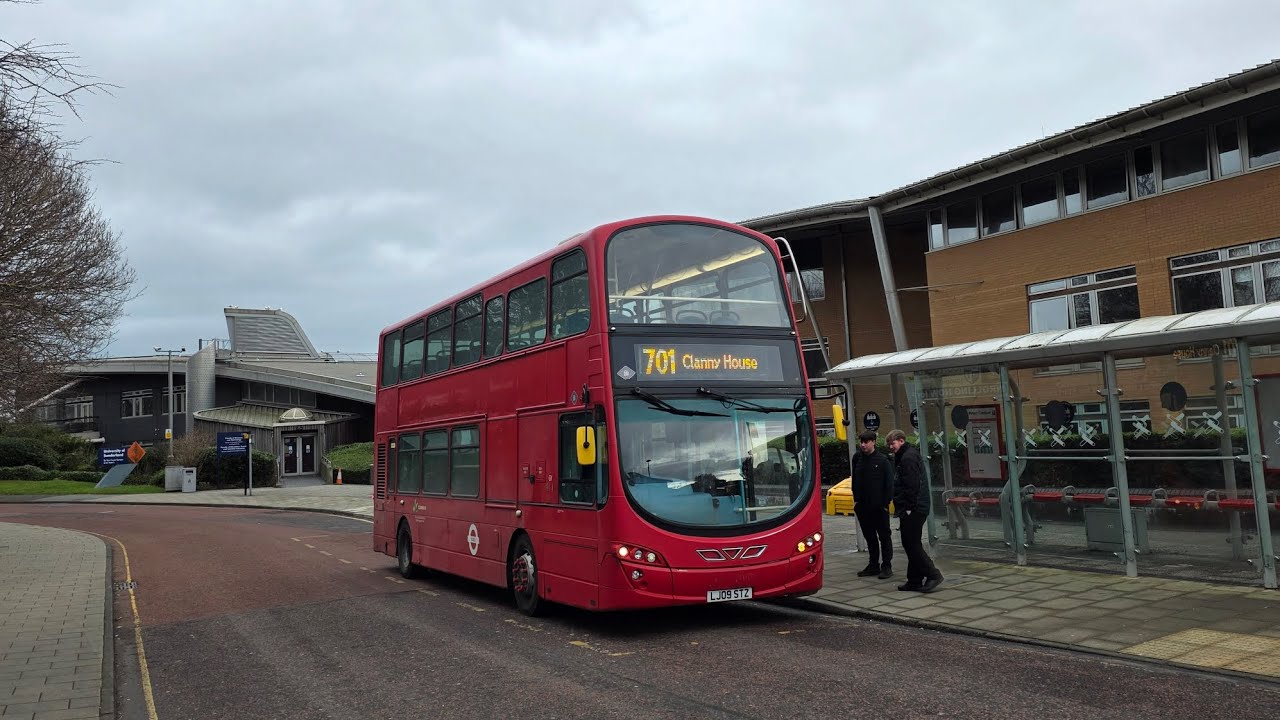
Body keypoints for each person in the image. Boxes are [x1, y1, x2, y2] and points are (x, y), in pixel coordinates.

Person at [887, 429, 943, 593]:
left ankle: (933, 574)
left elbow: (912, 485)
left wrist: (909, 508)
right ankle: (914, 580)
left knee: (911, 544)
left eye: (893, 443)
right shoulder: (906, 455)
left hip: (914, 508)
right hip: (916, 506)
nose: (891, 447)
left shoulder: (908, 458)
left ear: (901, 440)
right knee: (912, 543)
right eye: (889, 444)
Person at [851, 431, 894, 579]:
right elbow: (854, 479)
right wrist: (856, 500)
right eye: (861, 442)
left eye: (866, 442)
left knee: (884, 536)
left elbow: (889, 483)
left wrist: (885, 503)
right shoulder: (857, 458)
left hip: (879, 506)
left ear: (873, 442)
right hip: (863, 505)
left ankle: (887, 566)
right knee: (869, 536)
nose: (863, 445)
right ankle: (873, 564)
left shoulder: (883, 460)